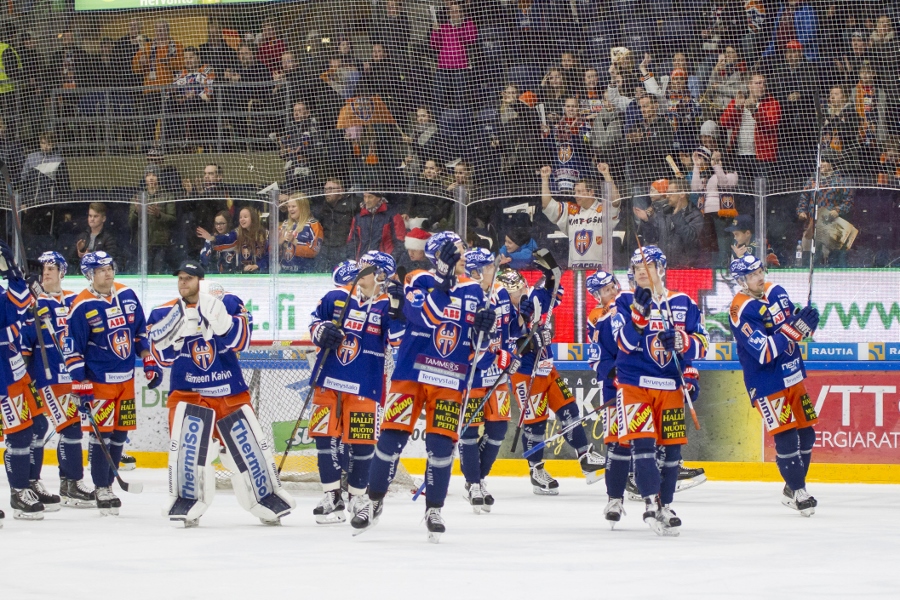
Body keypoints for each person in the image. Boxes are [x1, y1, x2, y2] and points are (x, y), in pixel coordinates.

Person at [351, 231, 495, 542]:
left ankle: (434, 509)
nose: (463, 253)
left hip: (449, 378)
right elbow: (426, 316)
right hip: (411, 375)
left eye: (463, 248)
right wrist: (443, 280)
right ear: (438, 255)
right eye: (456, 249)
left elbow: (479, 352)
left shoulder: (475, 292)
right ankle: (372, 501)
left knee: (441, 448)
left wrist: (485, 331)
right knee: (389, 440)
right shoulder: (418, 279)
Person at [147, 261, 294, 526]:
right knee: (188, 452)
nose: (183, 283)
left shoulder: (228, 303)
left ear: (201, 281)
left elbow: (243, 341)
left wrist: (223, 324)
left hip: (229, 390)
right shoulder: (164, 312)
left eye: (189, 278)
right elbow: (162, 357)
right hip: (188, 394)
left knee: (249, 449)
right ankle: (189, 502)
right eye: (180, 278)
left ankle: (264, 496)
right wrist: (177, 330)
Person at [612, 245, 708, 536]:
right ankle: (650, 503)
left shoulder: (683, 303)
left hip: (669, 388)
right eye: (638, 266)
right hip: (635, 386)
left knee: (672, 451)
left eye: (649, 265)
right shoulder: (624, 302)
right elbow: (624, 346)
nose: (642, 270)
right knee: (642, 445)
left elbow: (702, 345)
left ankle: (665, 505)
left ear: (662, 269)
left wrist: (682, 342)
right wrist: (638, 320)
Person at [66, 251, 161, 515]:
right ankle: (101, 487)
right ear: (90, 275)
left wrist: (148, 359)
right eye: (101, 270)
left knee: (120, 434)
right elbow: (72, 348)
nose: (108, 273)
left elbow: (141, 332)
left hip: (126, 381)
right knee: (101, 436)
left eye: (110, 267)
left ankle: (108, 482)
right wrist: (80, 382)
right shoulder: (81, 306)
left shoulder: (128, 295)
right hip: (99, 383)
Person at [307, 251, 398, 524]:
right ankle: (332, 497)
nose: (359, 273)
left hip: (365, 385)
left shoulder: (386, 307)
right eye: (359, 267)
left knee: (361, 443)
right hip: (329, 380)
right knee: (324, 439)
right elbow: (313, 321)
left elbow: (397, 340)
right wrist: (321, 330)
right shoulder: (336, 297)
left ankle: (358, 497)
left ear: (381, 275)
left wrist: (399, 309)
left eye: (366, 269)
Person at [728, 254, 819, 516]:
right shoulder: (740, 310)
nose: (759, 277)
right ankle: (798, 491)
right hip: (765, 381)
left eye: (760, 271)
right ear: (741, 281)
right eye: (752, 274)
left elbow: (794, 327)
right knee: (787, 435)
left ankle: (793, 487)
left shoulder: (777, 291)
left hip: (792, 374)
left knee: (807, 434)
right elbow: (764, 351)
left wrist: (808, 323)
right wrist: (795, 329)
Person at [504, 266, 606, 494]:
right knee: (535, 424)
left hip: (547, 368)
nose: (521, 292)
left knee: (569, 409)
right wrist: (530, 342)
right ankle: (536, 470)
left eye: (522, 287)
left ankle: (585, 456)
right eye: (514, 291)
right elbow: (506, 344)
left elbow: (555, 295)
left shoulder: (534, 298)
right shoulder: (504, 313)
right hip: (525, 374)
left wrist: (550, 275)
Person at [20, 252, 94, 508]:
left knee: (55, 429)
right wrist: (31, 313)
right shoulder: (33, 302)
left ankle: (58, 482)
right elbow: (24, 343)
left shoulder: (76, 300)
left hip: (73, 376)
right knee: (63, 428)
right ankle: (67, 482)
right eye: (42, 269)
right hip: (47, 377)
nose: (46, 272)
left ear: (62, 271)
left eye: (52, 268)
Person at [458, 249, 520, 512]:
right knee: (469, 432)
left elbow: (511, 332)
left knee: (497, 431)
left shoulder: (502, 294)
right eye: (488, 267)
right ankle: (474, 483)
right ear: (474, 271)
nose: (493, 270)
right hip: (470, 375)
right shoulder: (463, 295)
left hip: (497, 374)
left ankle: (478, 478)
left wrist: (509, 354)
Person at [0, 240, 47, 520]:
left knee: (22, 431)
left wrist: (17, 277)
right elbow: (13, 309)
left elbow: (19, 308)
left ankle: (19, 491)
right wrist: (15, 278)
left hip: (12, 371)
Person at [584, 270, 629, 527]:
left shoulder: (632, 307)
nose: (611, 292)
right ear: (596, 295)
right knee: (615, 442)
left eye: (612, 287)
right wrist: (612, 373)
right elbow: (595, 358)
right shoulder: (597, 318)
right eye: (605, 290)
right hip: (614, 389)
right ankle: (614, 497)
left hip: (640, 387)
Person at [540, 163, 620, 270]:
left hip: (601, 271)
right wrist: (545, 179)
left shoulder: (603, 209)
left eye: (579, 192)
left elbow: (615, 201)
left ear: (591, 192)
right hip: (576, 272)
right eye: (575, 192)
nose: (575, 195)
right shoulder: (570, 210)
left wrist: (606, 174)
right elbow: (547, 205)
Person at [719, 73, 781, 181]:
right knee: (743, 192)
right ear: (749, 85)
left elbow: (771, 125)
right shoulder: (738, 102)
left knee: (761, 191)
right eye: (757, 83)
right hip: (740, 156)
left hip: (762, 157)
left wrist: (755, 111)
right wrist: (736, 107)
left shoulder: (772, 103)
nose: (761, 86)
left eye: (763, 83)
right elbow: (724, 123)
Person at [634, 178, 704, 268]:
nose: (667, 196)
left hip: (685, 269)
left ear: (682, 194)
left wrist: (677, 216)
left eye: (670, 192)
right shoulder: (663, 213)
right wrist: (646, 221)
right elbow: (652, 238)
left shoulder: (695, 215)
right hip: (665, 267)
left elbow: (690, 238)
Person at [692, 146, 739, 270]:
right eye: (713, 159)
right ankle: (710, 267)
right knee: (708, 241)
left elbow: (724, 184)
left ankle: (724, 266)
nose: (714, 161)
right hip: (705, 212)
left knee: (722, 239)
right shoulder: (707, 174)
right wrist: (696, 167)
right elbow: (695, 188)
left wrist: (717, 166)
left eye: (717, 159)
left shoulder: (731, 173)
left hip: (722, 212)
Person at [130, 166, 176, 274]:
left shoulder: (167, 196)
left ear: (159, 177)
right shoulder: (137, 197)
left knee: (158, 272)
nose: (151, 178)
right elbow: (130, 223)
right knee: (143, 272)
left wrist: (159, 215)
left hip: (161, 243)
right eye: (148, 175)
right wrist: (137, 212)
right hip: (142, 242)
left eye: (154, 175)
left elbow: (173, 219)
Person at [197, 206, 268, 274]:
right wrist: (212, 238)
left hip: (262, 274)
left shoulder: (265, 234)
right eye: (240, 217)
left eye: (245, 217)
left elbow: (271, 255)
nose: (242, 219)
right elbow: (226, 239)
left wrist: (258, 265)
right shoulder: (237, 233)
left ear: (253, 218)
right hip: (241, 274)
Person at [312, 178, 356, 270]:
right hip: (325, 249)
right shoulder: (322, 207)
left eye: (331, 189)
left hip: (343, 249)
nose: (327, 192)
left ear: (341, 191)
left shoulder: (352, 205)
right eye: (325, 189)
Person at [347, 192, 406, 260]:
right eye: (365, 197)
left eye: (370, 197)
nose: (366, 200)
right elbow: (352, 242)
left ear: (378, 198)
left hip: (384, 262)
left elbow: (400, 242)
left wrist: (390, 260)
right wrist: (352, 261)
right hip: (362, 261)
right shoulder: (358, 217)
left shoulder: (393, 215)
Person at [279, 194, 323, 273]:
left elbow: (314, 252)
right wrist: (278, 243)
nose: (290, 209)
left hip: (305, 272)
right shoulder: (284, 224)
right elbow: (271, 252)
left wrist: (294, 242)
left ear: (303, 207)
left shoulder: (314, 225)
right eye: (289, 206)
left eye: (293, 206)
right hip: (284, 272)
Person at [73, 203, 119, 268]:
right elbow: (70, 259)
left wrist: (89, 257)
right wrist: (79, 250)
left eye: (95, 216)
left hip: (100, 274)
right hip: (82, 274)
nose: (92, 219)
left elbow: (109, 259)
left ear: (103, 219)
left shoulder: (109, 238)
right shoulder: (82, 236)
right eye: (90, 216)